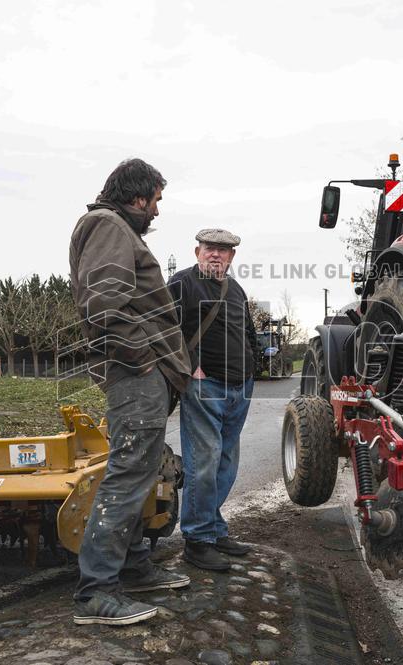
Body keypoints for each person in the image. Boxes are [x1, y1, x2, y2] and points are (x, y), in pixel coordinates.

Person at [69, 158, 192, 626]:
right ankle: (96, 593)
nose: (157, 211)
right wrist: (145, 362)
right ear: (138, 197)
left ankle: (133, 567)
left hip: (143, 374)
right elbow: (103, 307)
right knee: (126, 475)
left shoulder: (116, 228)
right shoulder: (109, 226)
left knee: (140, 473)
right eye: (156, 200)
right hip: (136, 374)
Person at [168, 229, 258, 571]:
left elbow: (246, 330)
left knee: (225, 466)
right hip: (206, 388)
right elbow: (163, 331)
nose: (216, 255)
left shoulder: (235, 289)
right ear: (197, 251)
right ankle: (197, 541)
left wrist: (253, 366)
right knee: (202, 465)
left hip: (240, 386)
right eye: (210, 249)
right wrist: (191, 368)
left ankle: (215, 529)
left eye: (224, 250)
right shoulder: (181, 284)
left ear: (232, 257)